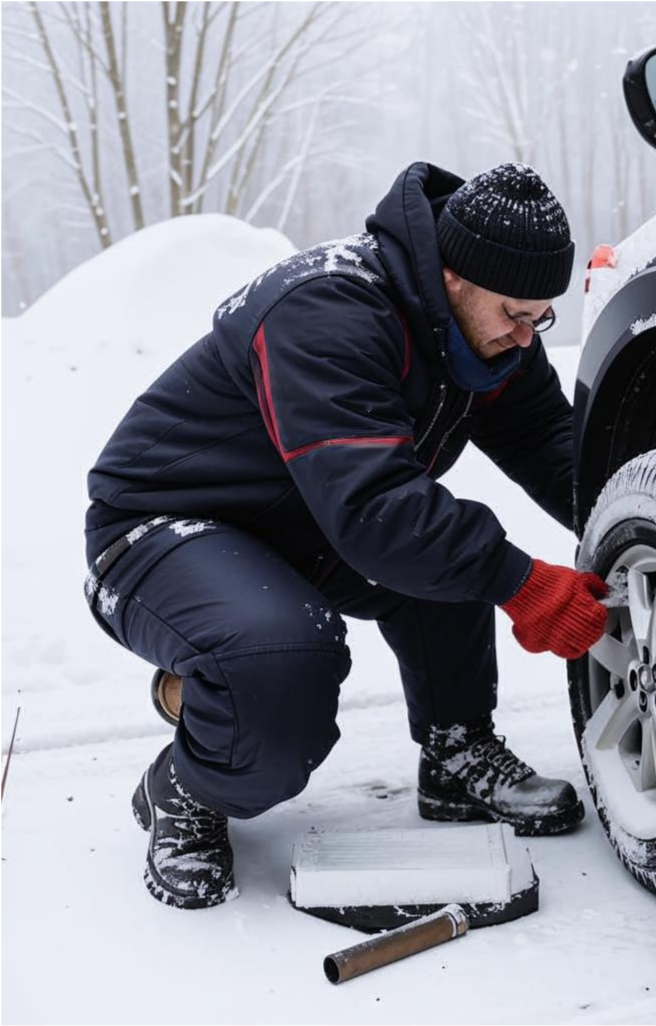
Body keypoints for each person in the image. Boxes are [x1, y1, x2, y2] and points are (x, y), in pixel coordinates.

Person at [82, 160, 611, 910]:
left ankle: (456, 750)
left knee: (442, 542)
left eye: (541, 319)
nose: (526, 338)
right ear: (453, 278)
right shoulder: (327, 310)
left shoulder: (487, 337)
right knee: (288, 653)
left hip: (309, 521)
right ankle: (187, 787)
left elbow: (550, 445)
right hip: (163, 529)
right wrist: (525, 584)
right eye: (514, 314)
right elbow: (374, 511)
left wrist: (640, 508)